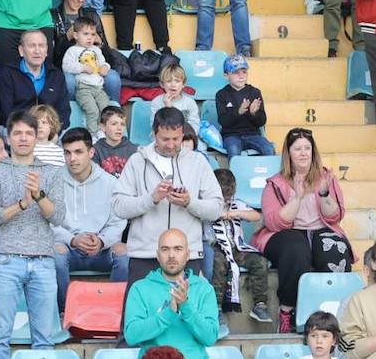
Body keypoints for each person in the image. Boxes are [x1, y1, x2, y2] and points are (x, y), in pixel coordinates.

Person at [251, 127, 353, 333]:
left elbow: (335, 216)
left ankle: (327, 315)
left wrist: (324, 194)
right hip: (286, 233)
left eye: (308, 148)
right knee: (296, 250)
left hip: (320, 230)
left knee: (335, 249)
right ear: (289, 154)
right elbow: (274, 222)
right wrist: (297, 197)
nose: (304, 153)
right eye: (298, 149)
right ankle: (287, 311)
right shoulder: (276, 183)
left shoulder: (326, 178)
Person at [0, 110, 64, 359]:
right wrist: (22, 204)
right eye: (18, 133)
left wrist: (38, 196)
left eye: (29, 133)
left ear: (37, 137)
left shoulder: (52, 171)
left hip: (43, 260)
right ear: (8, 138)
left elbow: (58, 217)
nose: (24, 138)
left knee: (44, 340)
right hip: (6, 259)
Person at [113, 105, 224, 281]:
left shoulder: (198, 162)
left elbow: (217, 209)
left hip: (186, 256)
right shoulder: (136, 161)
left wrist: (190, 202)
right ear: (154, 134)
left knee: (186, 309)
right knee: (140, 309)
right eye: (165, 139)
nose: (171, 144)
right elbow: (118, 206)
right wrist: (151, 199)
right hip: (145, 255)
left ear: (183, 134)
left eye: (176, 139)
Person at [52, 127, 128, 316]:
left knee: (125, 254)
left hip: (100, 248)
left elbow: (117, 221)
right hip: (68, 246)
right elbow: (49, 221)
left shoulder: (110, 183)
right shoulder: (54, 180)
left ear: (91, 152)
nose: (72, 159)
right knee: (55, 255)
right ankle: (64, 312)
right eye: (67, 153)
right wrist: (72, 239)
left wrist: (102, 241)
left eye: (78, 152)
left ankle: (114, 311)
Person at [122, 229, 219, 359]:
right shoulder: (140, 288)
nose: (171, 255)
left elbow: (210, 338)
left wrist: (186, 306)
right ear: (157, 255)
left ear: (187, 255)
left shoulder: (204, 289)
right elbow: (132, 336)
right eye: (165, 249)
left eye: (178, 249)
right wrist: (169, 313)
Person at [209, 168, 270, 323]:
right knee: (218, 263)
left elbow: (257, 216)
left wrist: (233, 214)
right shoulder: (207, 205)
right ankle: (215, 308)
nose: (227, 200)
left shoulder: (237, 205)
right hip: (217, 248)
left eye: (230, 196)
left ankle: (260, 304)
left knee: (259, 261)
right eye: (224, 197)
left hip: (237, 248)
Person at [215, 55, 274, 157]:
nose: (241, 76)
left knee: (268, 148)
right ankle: (234, 173)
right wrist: (238, 112)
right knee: (233, 150)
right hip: (231, 136)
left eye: (244, 72)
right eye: (235, 72)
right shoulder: (221, 94)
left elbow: (262, 121)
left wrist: (253, 113)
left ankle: (272, 173)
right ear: (226, 75)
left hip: (253, 134)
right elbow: (223, 121)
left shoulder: (255, 92)